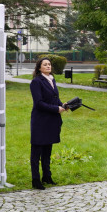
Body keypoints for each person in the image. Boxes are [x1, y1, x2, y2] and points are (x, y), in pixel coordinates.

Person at [30, 58, 67, 189]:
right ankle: (35, 180)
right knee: (36, 152)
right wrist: (56, 109)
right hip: (40, 121)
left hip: (51, 120)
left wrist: (62, 105)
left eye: (49, 64)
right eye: (45, 64)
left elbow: (54, 98)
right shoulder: (36, 82)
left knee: (47, 150)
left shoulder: (52, 79)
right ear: (39, 68)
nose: (48, 66)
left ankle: (47, 176)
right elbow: (39, 103)